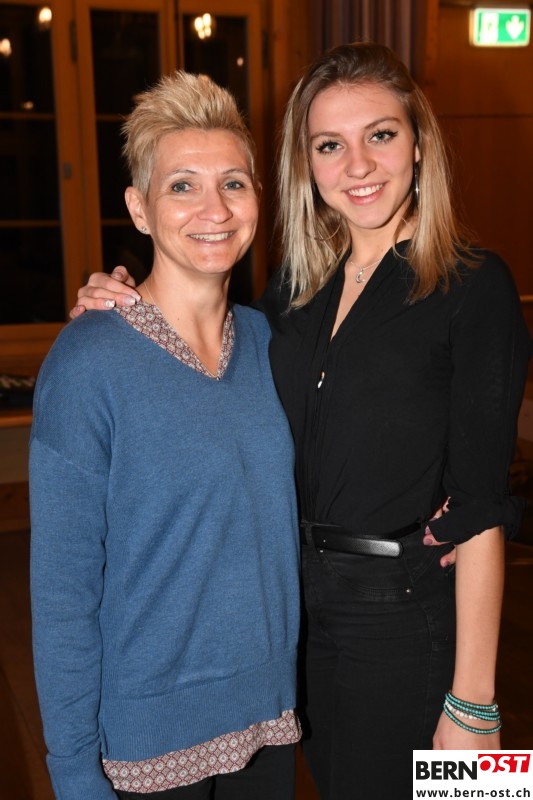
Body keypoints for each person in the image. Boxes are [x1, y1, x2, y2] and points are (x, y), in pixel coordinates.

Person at [70, 43, 531, 800]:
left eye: (380, 134)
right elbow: (202, 347)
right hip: (294, 616)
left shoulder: (475, 284)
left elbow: (482, 508)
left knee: (464, 796)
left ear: (419, 142)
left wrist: (475, 704)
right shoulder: (292, 292)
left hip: (408, 614)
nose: (358, 165)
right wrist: (113, 295)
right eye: (329, 145)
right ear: (305, 164)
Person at [29, 71, 302, 800]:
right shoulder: (88, 363)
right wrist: (73, 771)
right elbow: (62, 595)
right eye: (182, 186)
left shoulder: (269, 343)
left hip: (268, 720)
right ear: (139, 209)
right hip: (147, 744)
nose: (214, 209)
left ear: (257, 199)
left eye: (234, 184)